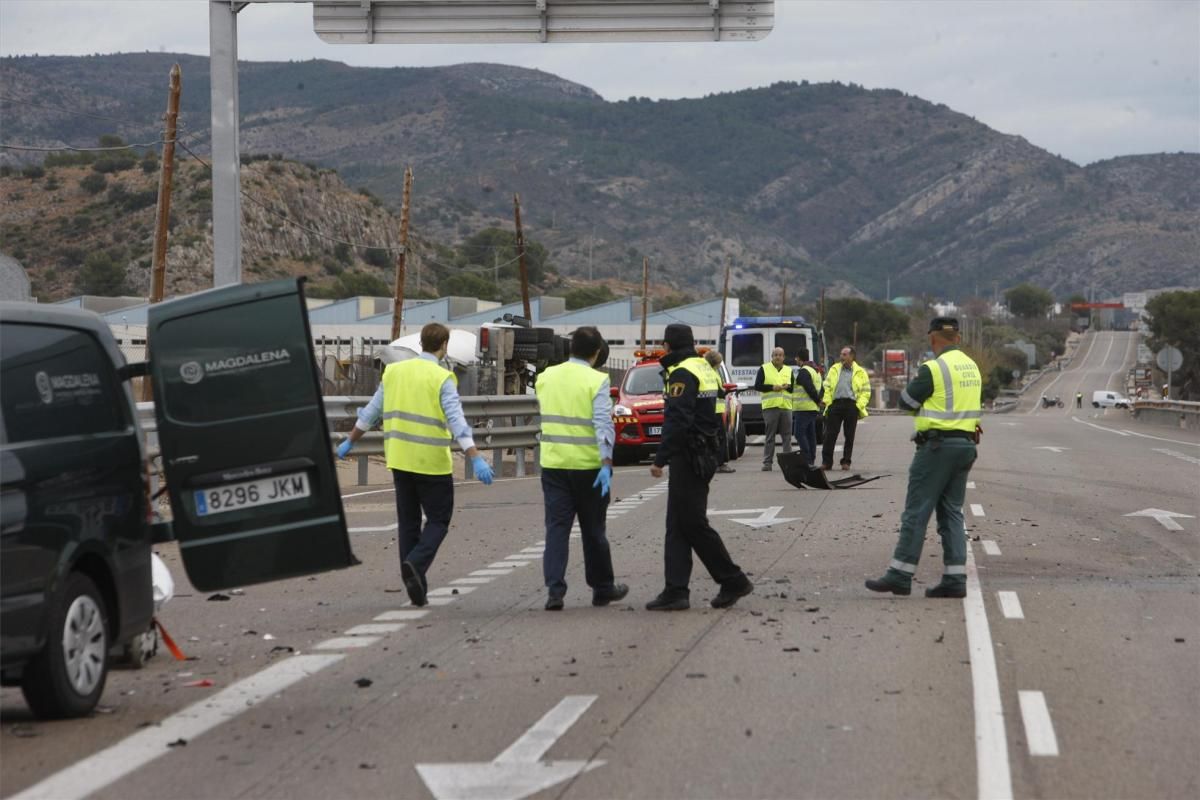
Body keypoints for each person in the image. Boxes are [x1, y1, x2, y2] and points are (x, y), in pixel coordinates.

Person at [338, 322, 494, 606]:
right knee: (438, 520)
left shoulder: (394, 372)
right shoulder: (442, 377)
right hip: (431, 462)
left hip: (399, 459)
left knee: (408, 522)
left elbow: (371, 412)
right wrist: (475, 456)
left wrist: (350, 441)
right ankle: (417, 564)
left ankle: (414, 582)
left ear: (421, 342)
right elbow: (457, 422)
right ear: (444, 345)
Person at [866, 318, 982, 599]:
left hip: (936, 447)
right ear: (957, 337)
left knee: (917, 511)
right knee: (952, 512)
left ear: (933, 339)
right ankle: (955, 580)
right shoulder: (972, 366)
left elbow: (906, 401)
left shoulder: (934, 368)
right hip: (965, 445)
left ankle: (900, 575)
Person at [647, 324, 754, 611]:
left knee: (692, 524)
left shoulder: (682, 372)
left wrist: (660, 458)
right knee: (677, 525)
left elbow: (678, 420)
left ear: (668, 345)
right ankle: (676, 590)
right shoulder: (705, 367)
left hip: (690, 456)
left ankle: (733, 579)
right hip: (705, 453)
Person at [535, 326, 629, 611]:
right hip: (588, 466)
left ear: (570, 348)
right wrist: (606, 461)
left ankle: (555, 590)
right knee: (593, 530)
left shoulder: (545, 377)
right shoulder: (597, 380)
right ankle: (602, 588)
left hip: (553, 464)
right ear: (597, 352)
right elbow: (603, 422)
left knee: (557, 528)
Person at [820, 345, 870, 471]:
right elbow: (827, 386)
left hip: (851, 406)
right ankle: (827, 462)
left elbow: (866, 392)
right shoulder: (834, 369)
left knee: (849, 435)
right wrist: (827, 402)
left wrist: (858, 406)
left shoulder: (860, 372)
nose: (841, 357)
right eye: (841, 354)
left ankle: (846, 462)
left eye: (844, 354)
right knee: (830, 435)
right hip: (835, 405)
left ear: (852, 356)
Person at [755, 347, 793, 471]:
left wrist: (787, 387)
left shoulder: (789, 370)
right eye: (775, 354)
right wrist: (772, 387)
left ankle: (788, 463)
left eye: (780, 355)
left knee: (787, 436)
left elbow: (793, 389)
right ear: (772, 356)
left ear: (784, 357)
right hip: (770, 407)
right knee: (770, 436)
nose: (778, 357)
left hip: (786, 407)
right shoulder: (764, 368)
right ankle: (767, 463)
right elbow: (758, 386)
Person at [704, 348, 736, 474]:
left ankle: (714, 463)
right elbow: (719, 392)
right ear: (716, 362)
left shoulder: (709, 372)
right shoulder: (713, 373)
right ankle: (720, 463)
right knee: (721, 438)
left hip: (712, 409)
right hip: (716, 410)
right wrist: (728, 391)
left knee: (714, 438)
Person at [791, 348, 823, 467]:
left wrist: (818, 400)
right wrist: (818, 401)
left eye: (796, 358)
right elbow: (821, 388)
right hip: (812, 408)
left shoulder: (804, 371)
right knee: (810, 435)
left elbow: (809, 387)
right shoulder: (816, 370)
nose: (795, 360)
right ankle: (811, 460)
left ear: (799, 359)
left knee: (799, 434)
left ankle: (807, 459)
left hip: (803, 408)